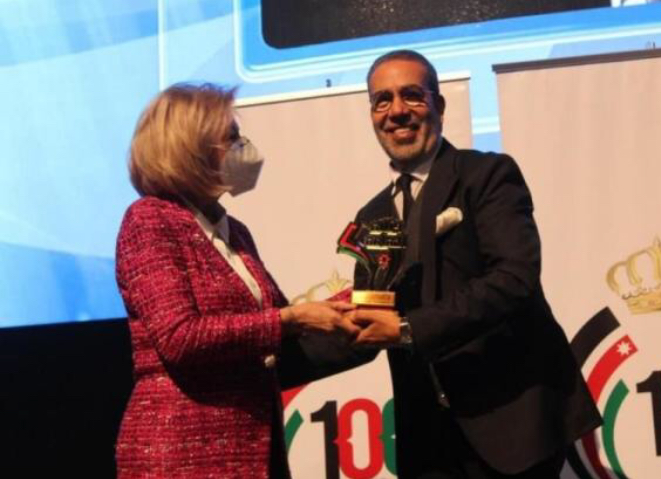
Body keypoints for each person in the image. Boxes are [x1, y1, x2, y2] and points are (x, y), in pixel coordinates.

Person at [341, 50, 603, 478]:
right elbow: (369, 316)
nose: (397, 111)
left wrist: (408, 329)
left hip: (512, 423)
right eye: (382, 100)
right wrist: (280, 341)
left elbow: (514, 278)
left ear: (439, 105)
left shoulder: (487, 175)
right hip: (429, 439)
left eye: (412, 95)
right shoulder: (370, 217)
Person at [114, 83, 357, 478]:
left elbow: (279, 325)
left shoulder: (235, 232)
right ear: (190, 146)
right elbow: (180, 337)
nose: (243, 147)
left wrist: (354, 302)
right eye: (230, 137)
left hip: (255, 445)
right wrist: (291, 319)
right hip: (184, 452)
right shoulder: (150, 220)